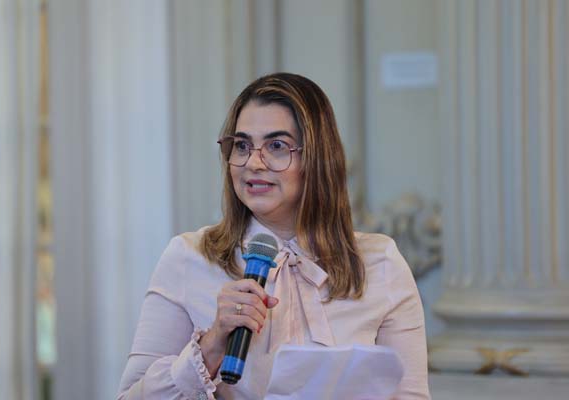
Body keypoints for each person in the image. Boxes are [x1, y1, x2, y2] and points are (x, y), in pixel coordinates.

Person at [117, 73, 430, 399]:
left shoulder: (381, 263)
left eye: (276, 146)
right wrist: (211, 345)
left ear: (317, 158)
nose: (253, 162)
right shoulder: (188, 257)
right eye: (242, 146)